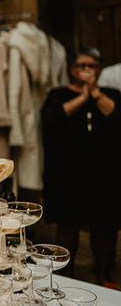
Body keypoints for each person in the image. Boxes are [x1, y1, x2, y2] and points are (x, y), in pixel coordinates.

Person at [41, 46, 121, 288]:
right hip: (68, 175)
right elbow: (50, 119)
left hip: (104, 174)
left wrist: (95, 94)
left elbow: (117, 116)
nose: (86, 70)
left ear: (99, 70)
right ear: (72, 69)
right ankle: (65, 277)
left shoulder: (110, 93)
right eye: (81, 66)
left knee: (105, 227)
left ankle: (104, 275)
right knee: (67, 226)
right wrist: (82, 98)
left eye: (92, 66)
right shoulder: (58, 94)